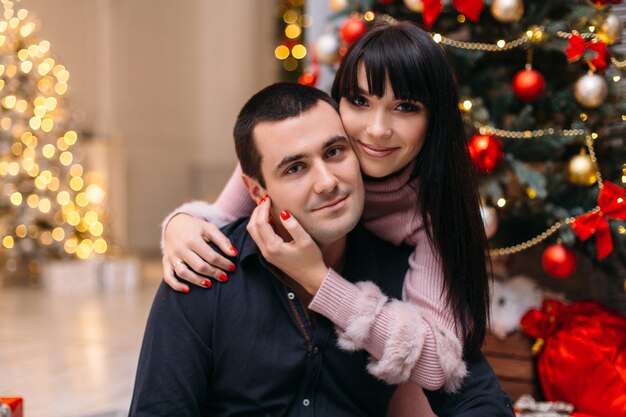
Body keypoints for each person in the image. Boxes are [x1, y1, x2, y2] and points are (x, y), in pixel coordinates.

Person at [159, 22, 512, 415]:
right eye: (360, 102)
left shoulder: (432, 211)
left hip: (394, 371)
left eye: (406, 107)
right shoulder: (305, 138)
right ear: (337, 102)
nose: (376, 130)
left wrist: (316, 278)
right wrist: (180, 224)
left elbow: (438, 365)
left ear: (434, 120)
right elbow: (220, 215)